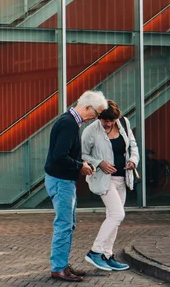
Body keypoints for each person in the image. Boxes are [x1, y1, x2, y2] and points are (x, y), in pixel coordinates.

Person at [44, 90, 107, 282]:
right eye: (95, 114)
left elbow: (61, 154)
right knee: (64, 225)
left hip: (61, 180)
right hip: (62, 181)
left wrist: (81, 165)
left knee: (68, 224)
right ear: (87, 107)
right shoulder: (69, 124)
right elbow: (60, 156)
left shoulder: (68, 121)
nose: (94, 119)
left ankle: (62, 265)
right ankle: (58, 268)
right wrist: (81, 166)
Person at [81, 99, 139, 272]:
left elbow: (133, 146)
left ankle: (107, 255)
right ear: (99, 118)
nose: (108, 124)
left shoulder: (124, 123)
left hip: (123, 178)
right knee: (117, 214)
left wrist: (133, 160)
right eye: (105, 121)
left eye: (111, 121)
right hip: (104, 180)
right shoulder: (90, 131)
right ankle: (95, 251)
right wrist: (99, 163)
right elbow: (82, 154)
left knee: (114, 218)